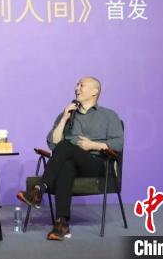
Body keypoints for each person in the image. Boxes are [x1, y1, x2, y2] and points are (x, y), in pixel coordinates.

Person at [29, 76, 124, 240]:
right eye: (76, 85)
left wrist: (93, 145)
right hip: (71, 163)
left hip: (96, 163)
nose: (76, 88)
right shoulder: (68, 114)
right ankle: (61, 224)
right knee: (66, 164)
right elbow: (53, 144)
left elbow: (118, 144)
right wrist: (64, 119)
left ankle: (39, 191)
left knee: (66, 145)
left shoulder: (108, 115)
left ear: (94, 91)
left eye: (82, 85)